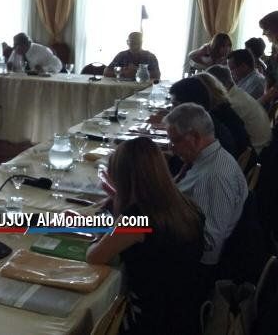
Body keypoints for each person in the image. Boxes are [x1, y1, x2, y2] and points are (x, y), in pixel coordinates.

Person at [87, 137, 204, 335]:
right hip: (185, 314)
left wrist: (103, 225)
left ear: (124, 180)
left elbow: (94, 257)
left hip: (151, 321)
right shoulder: (184, 205)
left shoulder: (138, 219)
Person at [163, 103, 247, 270]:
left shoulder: (214, 176)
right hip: (177, 232)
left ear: (194, 137)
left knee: (125, 236)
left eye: (175, 141)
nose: (171, 148)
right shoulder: (206, 160)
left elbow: (209, 242)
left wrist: (157, 229)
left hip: (191, 268)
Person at [169, 76, 251, 159]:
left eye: (175, 105)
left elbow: (181, 164)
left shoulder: (202, 134)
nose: (171, 110)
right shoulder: (209, 122)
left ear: (190, 105)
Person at [205, 66, 272, 153]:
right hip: (262, 146)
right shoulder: (237, 93)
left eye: (207, 87)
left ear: (218, 84)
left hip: (255, 152)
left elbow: (226, 140)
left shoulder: (232, 104)